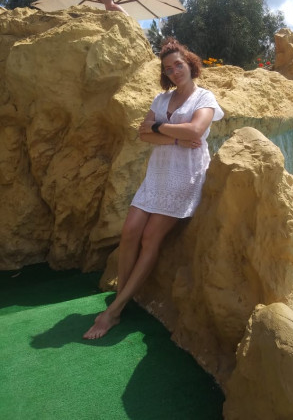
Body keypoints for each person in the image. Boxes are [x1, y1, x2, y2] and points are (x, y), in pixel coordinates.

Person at [83, 38, 224, 339]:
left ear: (190, 64)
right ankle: (123, 296)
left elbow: (196, 130)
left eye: (178, 65)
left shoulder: (205, 97)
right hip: (157, 174)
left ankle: (114, 311)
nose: (174, 71)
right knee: (130, 231)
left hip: (185, 174)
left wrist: (159, 127)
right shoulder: (161, 100)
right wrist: (176, 137)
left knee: (149, 237)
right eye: (168, 69)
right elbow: (143, 134)